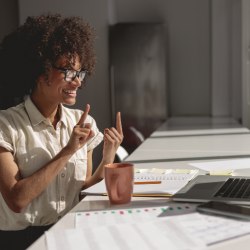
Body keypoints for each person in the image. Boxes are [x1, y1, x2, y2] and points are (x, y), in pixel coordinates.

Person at [0, 13, 123, 250]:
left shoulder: (81, 121)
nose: (76, 81)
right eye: (67, 71)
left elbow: (82, 193)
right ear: (39, 70)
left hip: (71, 234)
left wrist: (108, 156)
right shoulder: (6, 125)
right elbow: (17, 200)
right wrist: (67, 151)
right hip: (21, 242)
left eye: (79, 73)